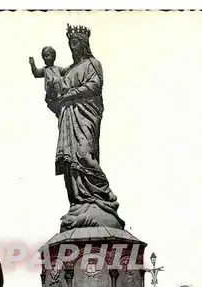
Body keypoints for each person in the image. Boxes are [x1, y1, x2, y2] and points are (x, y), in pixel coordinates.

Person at [40, 24, 125, 231]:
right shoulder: (66, 71)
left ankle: (104, 196)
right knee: (71, 163)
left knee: (85, 155)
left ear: (84, 44)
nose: (72, 47)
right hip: (68, 118)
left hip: (86, 115)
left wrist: (69, 94)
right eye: (70, 43)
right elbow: (55, 100)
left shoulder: (93, 64)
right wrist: (52, 96)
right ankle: (79, 203)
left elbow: (95, 86)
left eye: (76, 43)